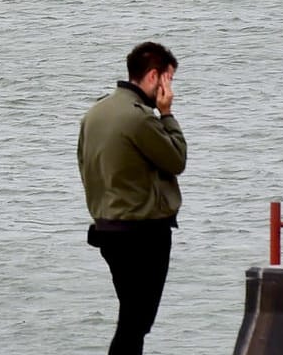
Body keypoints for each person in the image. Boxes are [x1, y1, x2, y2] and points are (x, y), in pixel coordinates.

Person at [78, 41, 186, 355]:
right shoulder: (140, 118)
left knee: (132, 319)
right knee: (136, 322)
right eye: (169, 79)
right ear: (154, 76)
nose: (169, 88)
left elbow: (83, 164)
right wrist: (167, 114)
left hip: (108, 228)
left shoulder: (95, 113)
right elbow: (176, 159)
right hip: (144, 233)